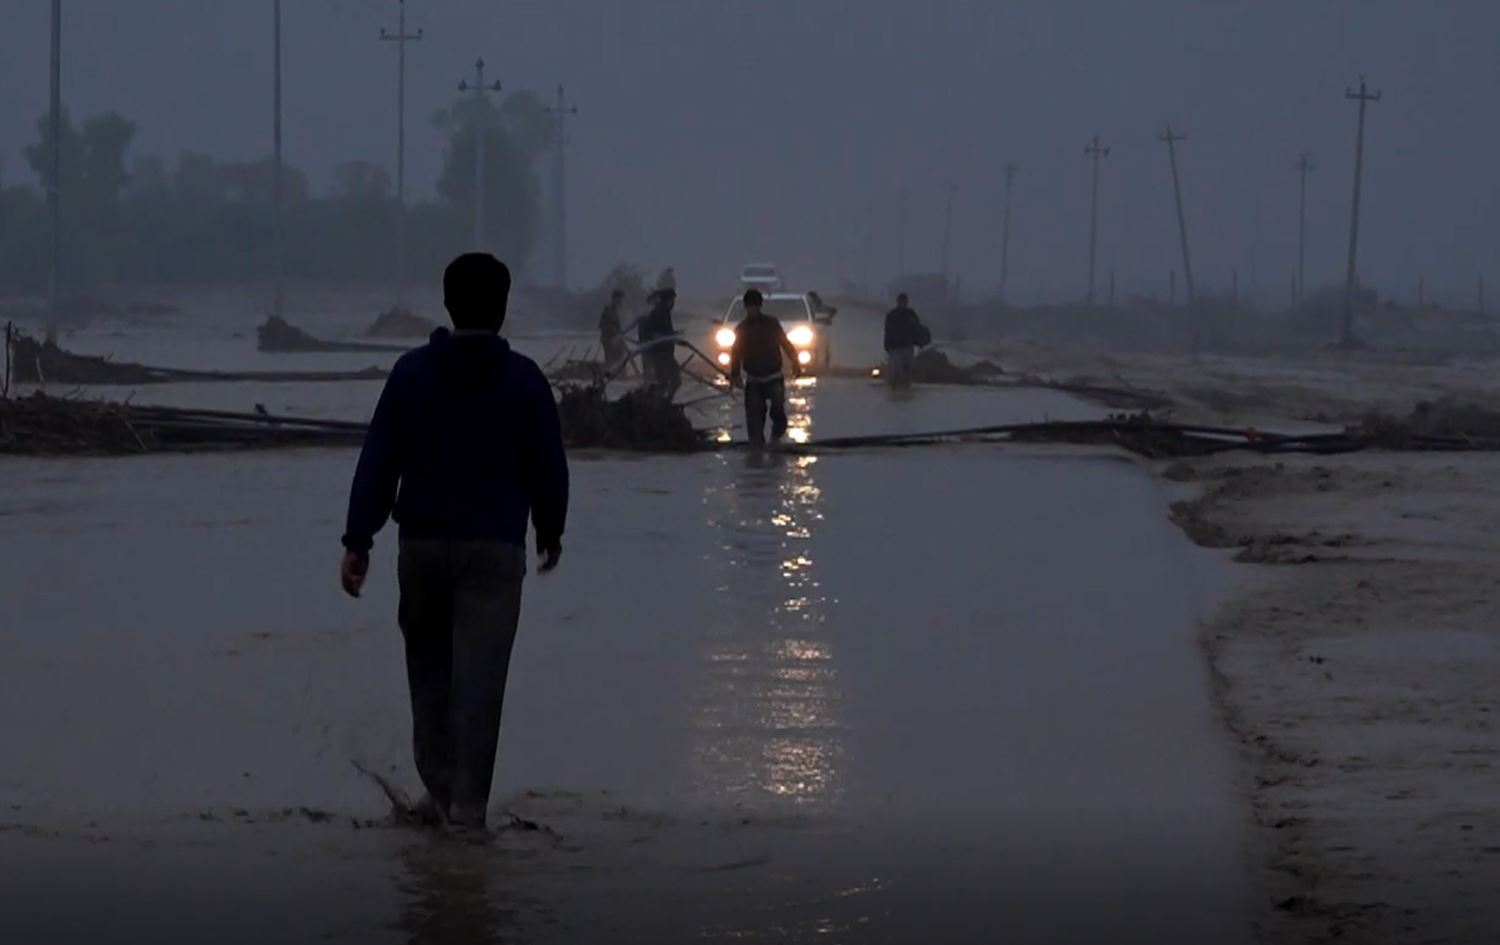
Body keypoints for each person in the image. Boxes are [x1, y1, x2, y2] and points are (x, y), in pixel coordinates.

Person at [339, 252, 569, 837]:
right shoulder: (523, 380)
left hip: (420, 546)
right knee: (481, 681)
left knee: (429, 675)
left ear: (447, 303)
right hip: (493, 550)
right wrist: (550, 527)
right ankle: (466, 811)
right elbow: (547, 461)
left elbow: (379, 459)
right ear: (504, 307)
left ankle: (439, 794)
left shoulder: (412, 374)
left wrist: (358, 539)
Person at [729, 288, 800, 447]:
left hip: (773, 375)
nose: (752, 310)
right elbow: (736, 353)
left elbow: (786, 344)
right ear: (746, 308)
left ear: (760, 306)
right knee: (755, 416)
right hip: (754, 379)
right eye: (749, 307)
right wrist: (735, 375)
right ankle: (757, 448)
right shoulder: (741, 329)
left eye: (755, 306)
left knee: (778, 411)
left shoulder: (772, 324)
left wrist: (796, 363)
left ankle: (775, 437)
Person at [640, 287, 682, 397]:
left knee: (675, 381)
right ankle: (657, 404)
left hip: (667, 354)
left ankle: (666, 401)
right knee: (663, 382)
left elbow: (665, 331)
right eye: (672, 300)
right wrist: (658, 336)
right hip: (659, 355)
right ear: (668, 300)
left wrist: (674, 334)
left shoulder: (665, 312)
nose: (673, 303)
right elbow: (648, 332)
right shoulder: (657, 313)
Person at [883, 292, 928, 388]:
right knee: (896, 370)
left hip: (908, 346)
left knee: (907, 369)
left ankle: (906, 386)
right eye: (901, 301)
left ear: (906, 302)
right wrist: (887, 346)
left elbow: (917, 329)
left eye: (904, 302)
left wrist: (920, 341)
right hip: (896, 347)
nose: (903, 303)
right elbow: (888, 331)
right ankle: (894, 387)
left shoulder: (911, 314)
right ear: (898, 302)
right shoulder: (892, 315)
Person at [599, 288, 627, 369]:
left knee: (620, 358)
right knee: (611, 360)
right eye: (620, 299)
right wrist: (616, 335)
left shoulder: (615, 310)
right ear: (615, 299)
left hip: (615, 339)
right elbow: (605, 327)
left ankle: (619, 374)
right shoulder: (609, 310)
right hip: (610, 340)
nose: (622, 302)